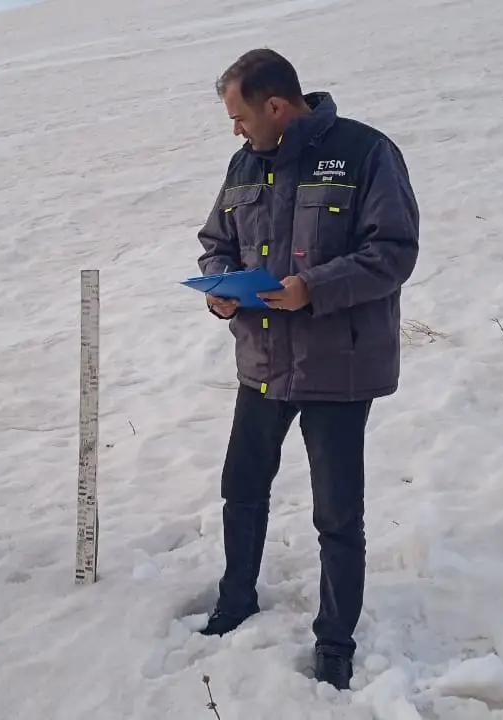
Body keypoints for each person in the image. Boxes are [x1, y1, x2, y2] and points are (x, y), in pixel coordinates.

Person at [194, 48, 420, 690]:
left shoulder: (365, 153)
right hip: (262, 361)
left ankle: (335, 642)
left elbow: (394, 251)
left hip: (338, 368)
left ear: (275, 105)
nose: (234, 129)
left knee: (337, 516)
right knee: (242, 488)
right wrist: (220, 286)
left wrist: (312, 288)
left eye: (239, 115)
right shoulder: (244, 164)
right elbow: (217, 242)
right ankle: (236, 602)